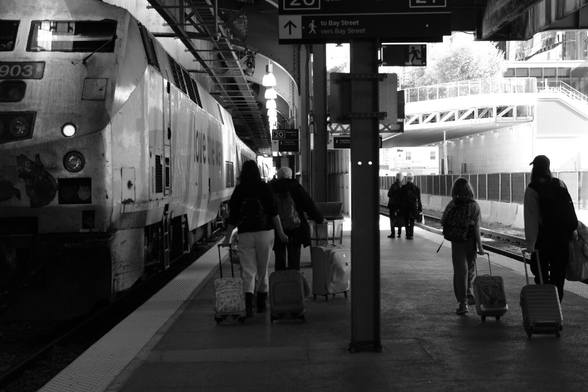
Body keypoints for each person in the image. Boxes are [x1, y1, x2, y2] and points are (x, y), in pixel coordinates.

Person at [222, 160, 288, 316]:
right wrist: (281, 233)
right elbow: (274, 213)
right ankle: (261, 306)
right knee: (263, 269)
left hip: (245, 233)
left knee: (248, 271)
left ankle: (249, 308)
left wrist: (226, 238)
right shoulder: (265, 187)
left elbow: (233, 217)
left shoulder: (239, 190)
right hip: (266, 233)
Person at [524, 155, 577, 301]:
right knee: (558, 274)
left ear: (534, 169)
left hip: (543, 239)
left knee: (539, 272)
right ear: (548, 168)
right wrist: (573, 233)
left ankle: (546, 305)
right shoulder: (560, 184)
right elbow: (569, 210)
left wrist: (531, 244)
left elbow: (531, 218)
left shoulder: (532, 188)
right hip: (562, 238)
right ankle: (557, 306)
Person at [441, 177, 485, 315]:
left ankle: (462, 302)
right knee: (470, 268)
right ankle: (469, 292)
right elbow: (477, 228)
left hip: (457, 242)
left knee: (460, 271)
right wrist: (480, 246)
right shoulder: (474, 205)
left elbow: (443, 222)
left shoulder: (452, 204)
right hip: (470, 241)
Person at [270, 166, 326, 271]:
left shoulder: (271, 188)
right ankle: (294, 278)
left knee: (279, 255)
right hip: (295, 226)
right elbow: (308, 205)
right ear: (290, 176)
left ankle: (279, 279)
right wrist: (320, 219)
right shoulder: (296, 187)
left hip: (277, 227)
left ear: (278, 176)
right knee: (294, 255)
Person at [398, 172, 422, 240]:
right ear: (412, 179)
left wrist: (399, 207)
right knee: (412, 221)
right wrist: (420, 209)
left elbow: (400, 198)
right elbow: (419, 199)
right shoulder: (416, 188)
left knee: (406, 221)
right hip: (413, 207)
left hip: (405, 207)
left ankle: (407, 234)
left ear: (406, 179)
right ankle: (411, 234)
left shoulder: (403, 188)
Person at [387, 172, 404, 238]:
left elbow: (389, 194)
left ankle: (393, 233)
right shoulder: (403, 186)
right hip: (400, 205)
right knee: (400, 218)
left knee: (392, 218)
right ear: (401, 178)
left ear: (396, 178)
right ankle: (399, 233)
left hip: (392, 205)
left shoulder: (393, 185)